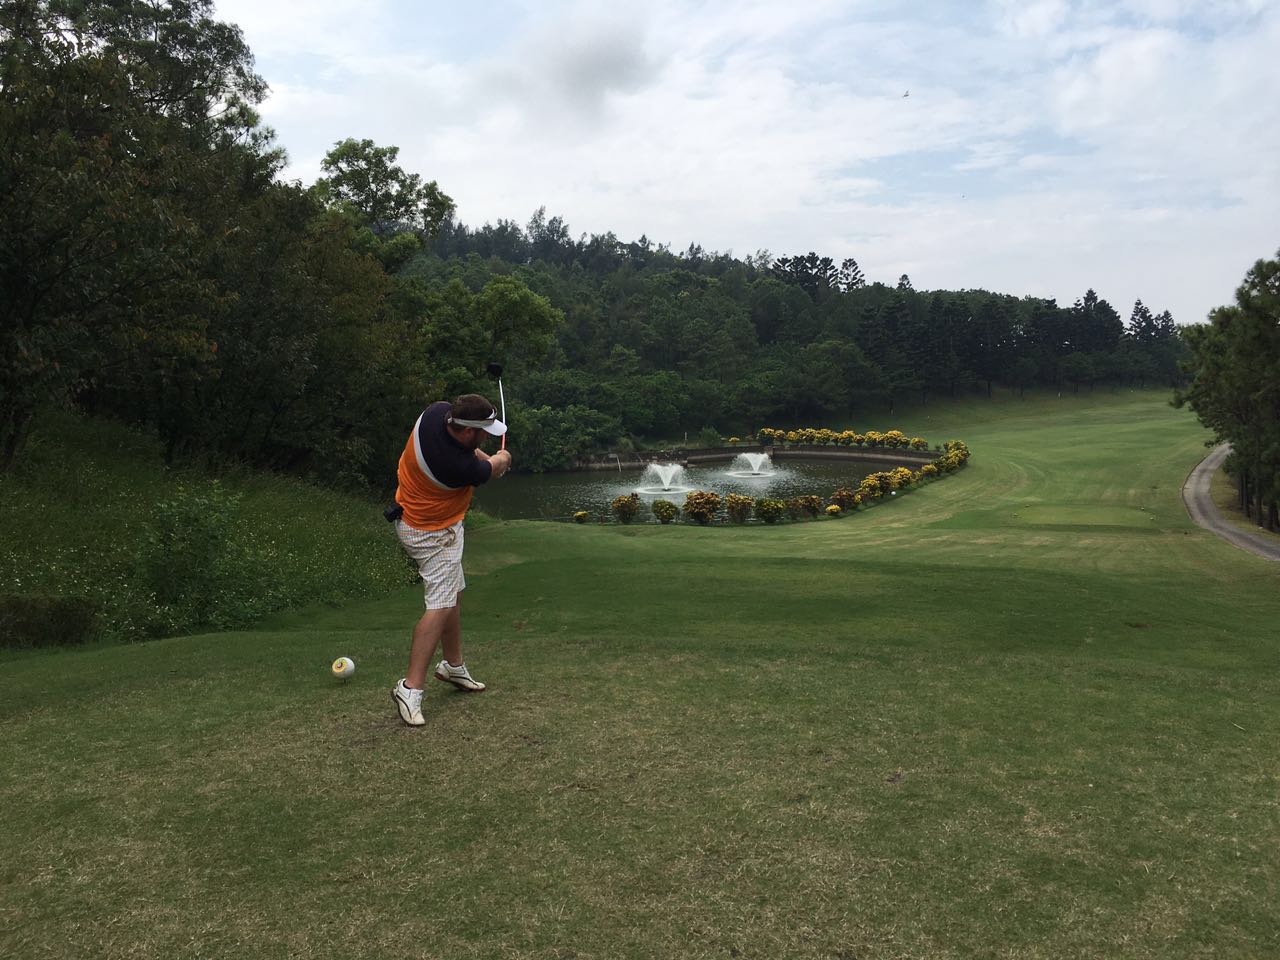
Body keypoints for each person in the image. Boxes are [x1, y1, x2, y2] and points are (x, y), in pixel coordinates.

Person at [390, 393, 512, 726]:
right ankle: (410, 687)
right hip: (431, 533)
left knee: (452, 594)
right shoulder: (457, 467)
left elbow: (476, 456)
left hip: (418, 517)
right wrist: (502, 458)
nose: (486, 437)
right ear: (468, 431)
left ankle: (453, 666)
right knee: (441, 605)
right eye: (483, 432)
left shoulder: (436, 413)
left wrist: (490, 459)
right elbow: (489, 469)